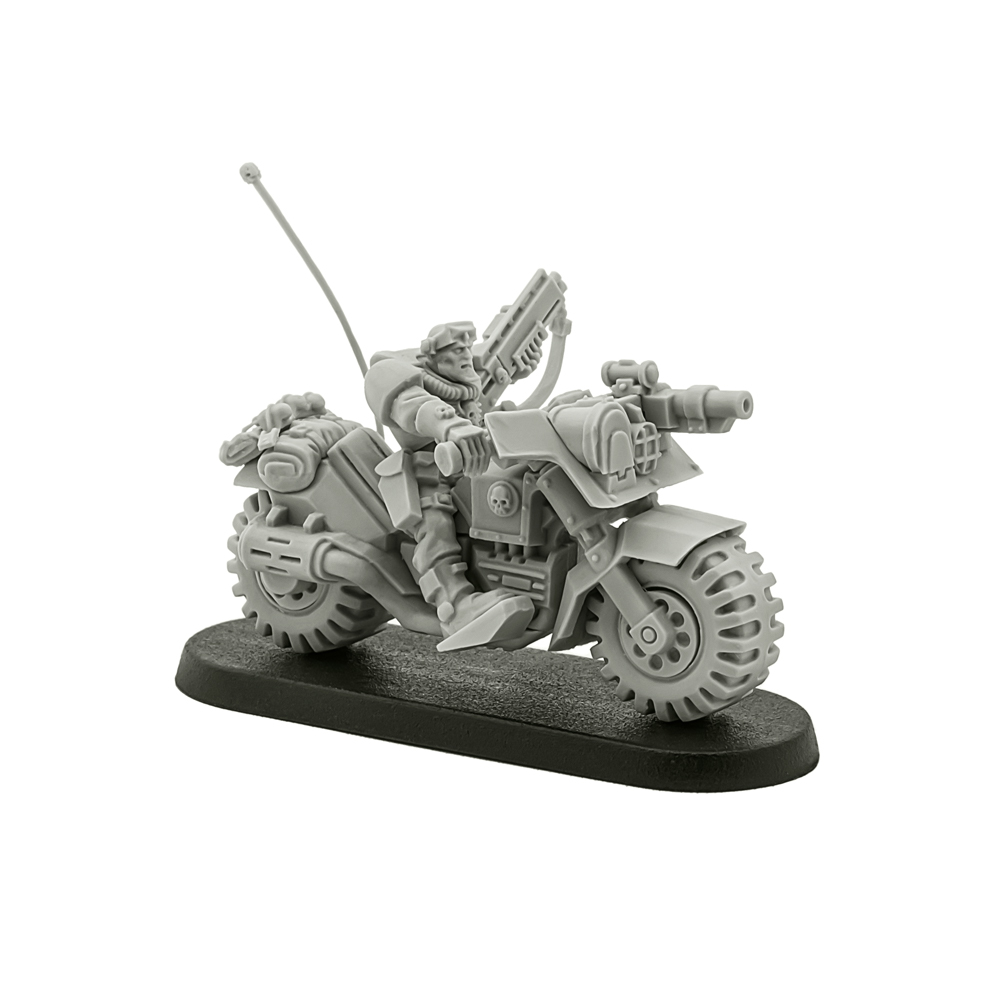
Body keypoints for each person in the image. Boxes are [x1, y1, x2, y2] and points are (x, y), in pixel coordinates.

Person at [365, 321, 535, 648]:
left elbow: (489, 394)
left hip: (473, 462)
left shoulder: (464, 380)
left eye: (466, 348)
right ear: (434, 357)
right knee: (434, 520)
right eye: (457, 350)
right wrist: (450, 427)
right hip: (427, 469)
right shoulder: (393, 374)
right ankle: (454, 606)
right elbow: (414, 407)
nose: (466, 355)